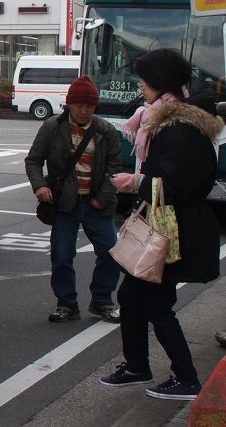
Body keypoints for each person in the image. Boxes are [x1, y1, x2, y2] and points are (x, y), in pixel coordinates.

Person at [99, 48, 221, 401]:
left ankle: (186, 377)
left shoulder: (181, 126)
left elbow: (182, 184)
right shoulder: (163, 119)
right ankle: (138, 366)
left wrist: (135, 183)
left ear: (160, 83)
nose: (140, 85)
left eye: (144, 79)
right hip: (163, 224)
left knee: (154, 303)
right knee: (132, 297)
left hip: (172, 228)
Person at [24, 75, 123, 324]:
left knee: (112, 253)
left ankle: (102, 300)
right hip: (64, 203)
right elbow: (33, 160)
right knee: (62, 256)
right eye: (78, 105)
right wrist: (39, 187)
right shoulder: (52, 127)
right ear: (69, 104)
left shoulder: (105, 130)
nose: (83, 110)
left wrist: (102, 198)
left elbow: (115, 167)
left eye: (89, 106)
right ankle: (66, 304)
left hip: (96, 203)